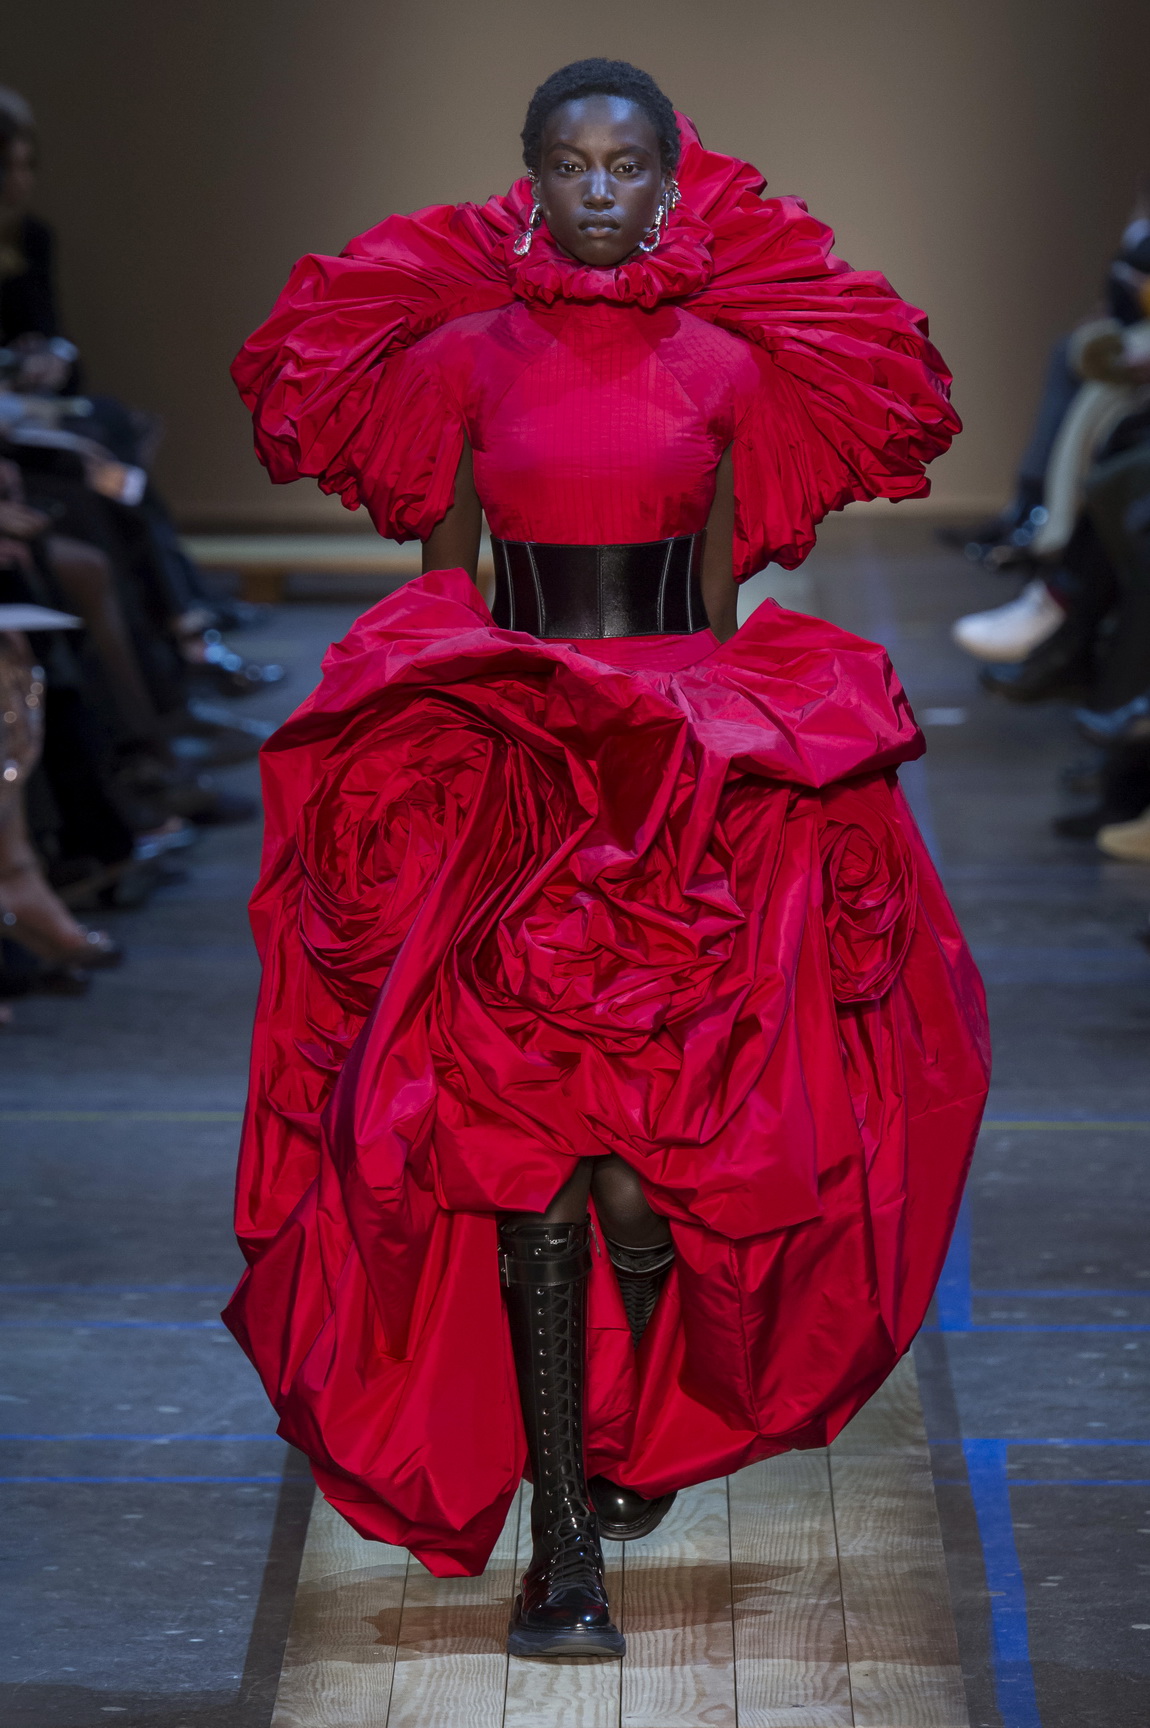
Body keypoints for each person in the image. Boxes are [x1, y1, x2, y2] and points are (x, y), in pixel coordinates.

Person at [226, 60, 990, 1658]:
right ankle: (561, 1547)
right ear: (525, 177)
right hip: (512, 766)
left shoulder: (722, 365)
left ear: (667, 180)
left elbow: (709, 611)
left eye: (624, 164)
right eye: (567, 162)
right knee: (528, 1172)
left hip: (674, 771)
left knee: (649, 1180)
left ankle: (628, 1417)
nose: (595, 189)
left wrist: (732, 773)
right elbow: (446, 596)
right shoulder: (452, 362)